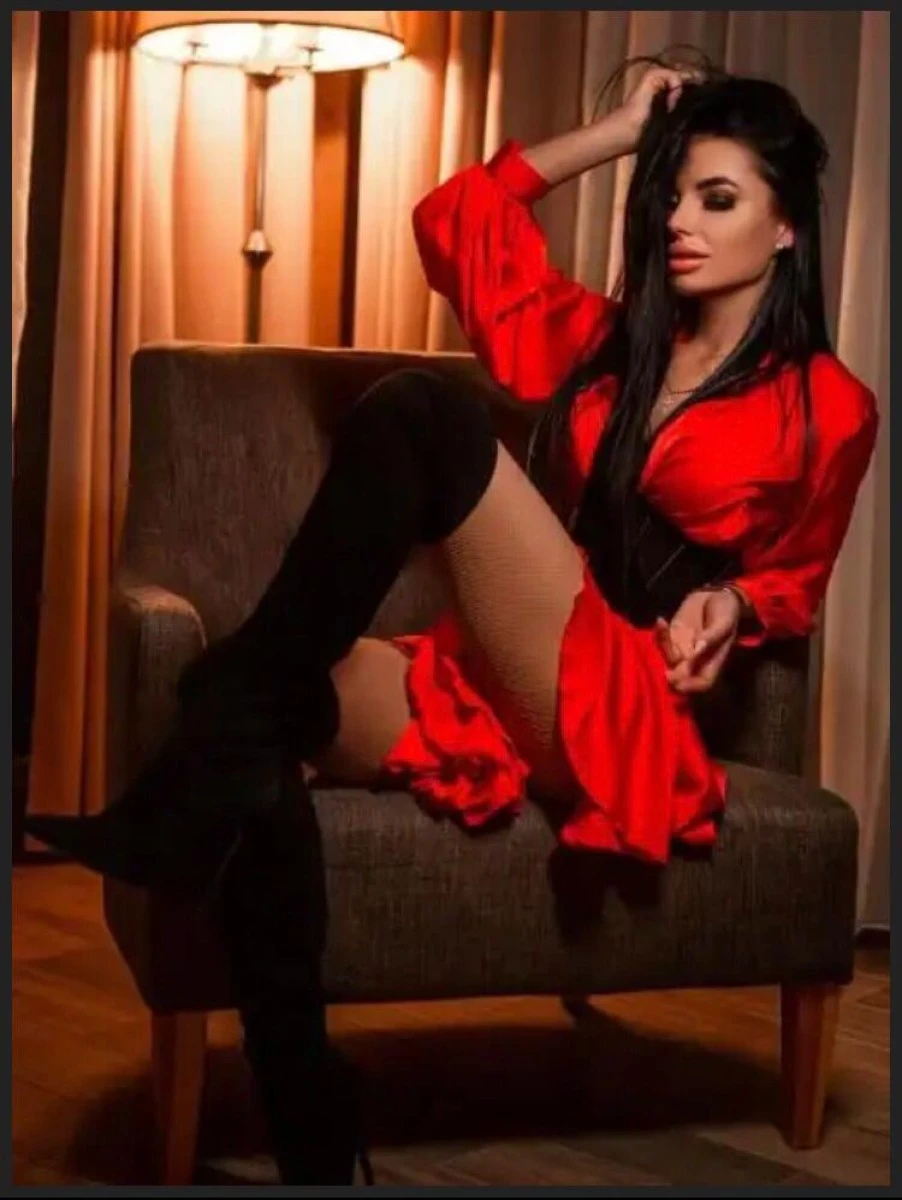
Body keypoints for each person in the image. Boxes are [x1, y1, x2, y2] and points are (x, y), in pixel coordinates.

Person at [25, 59, 878, 1184]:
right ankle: (309, 1108)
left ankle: (173, 797)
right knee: (246, 708)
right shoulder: (607, 341)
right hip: (498, 677)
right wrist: (617, 133)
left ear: (785, 227)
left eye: (716, 199)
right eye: (672, 194)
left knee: (425, 412)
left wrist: (730, 601)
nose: (678, 220)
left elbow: (794, 580)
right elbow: (454, 222)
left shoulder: (830, 404)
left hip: (615, 702)